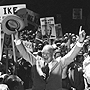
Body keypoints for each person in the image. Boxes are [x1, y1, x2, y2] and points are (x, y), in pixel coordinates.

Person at [14, 26, 86, 90]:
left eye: (47, 54)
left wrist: (80, 41)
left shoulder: (59, 63)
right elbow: (25, 53)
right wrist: (17, 40)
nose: (44, 56)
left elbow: (71, 56)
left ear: (53, 54)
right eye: (43, 54)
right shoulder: (36, 61)